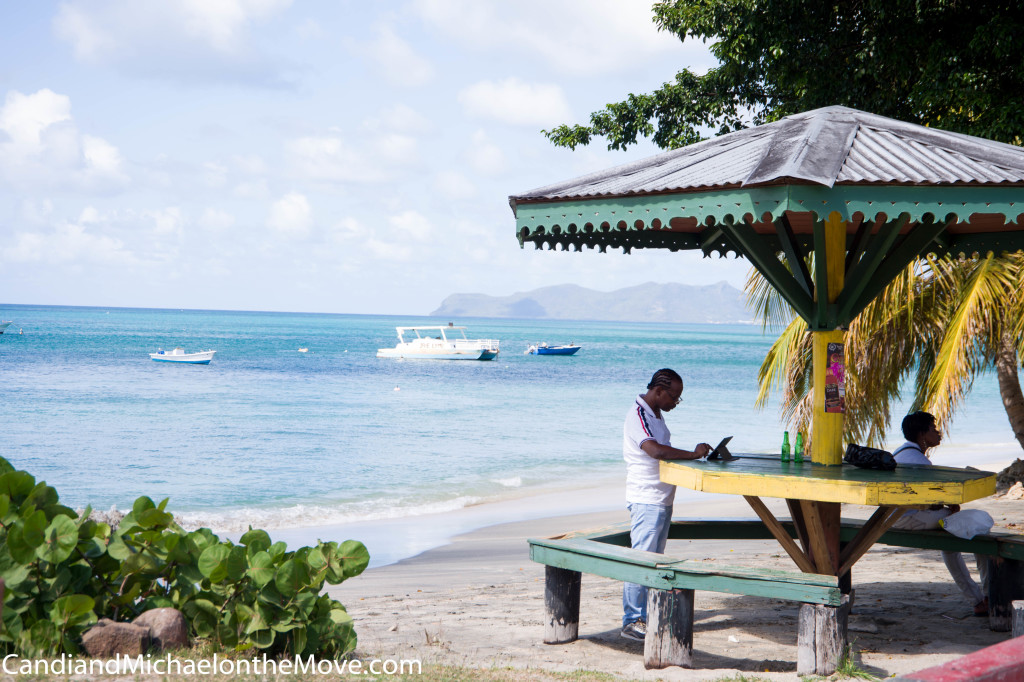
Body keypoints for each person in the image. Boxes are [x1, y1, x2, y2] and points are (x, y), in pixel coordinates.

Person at [620, 368, 711, 641]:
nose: (675, 403)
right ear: (659, 391)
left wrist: (694, 456)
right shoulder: (637, 415)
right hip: (646, 499)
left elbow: (662, 449)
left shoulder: (655, 414)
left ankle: (645, 618)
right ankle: (631, 621)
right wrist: (693, 455)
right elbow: (656, 451)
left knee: (653, 562)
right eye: (674, 397)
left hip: (661, 500)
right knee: (642, 561)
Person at [892, 410, 988, 615]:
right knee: (977, 529)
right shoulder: (920, 462)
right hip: (911, 519)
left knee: (955, 532)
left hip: (892, 518)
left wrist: (942, 506)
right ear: (921, 434)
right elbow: (927, 500)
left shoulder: (899, 454)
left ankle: (978, 599)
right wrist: (947, 506)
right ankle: (984, 597)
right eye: (933, 429)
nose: (939, 433)